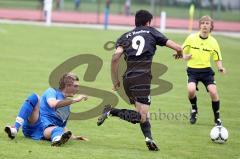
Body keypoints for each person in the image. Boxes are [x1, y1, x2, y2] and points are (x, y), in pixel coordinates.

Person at [97, 10, 182, 151]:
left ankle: (149, 139)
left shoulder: (124, 37)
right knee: (142, 116)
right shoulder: (151, 32)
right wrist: (179, 52)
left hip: (128, 79)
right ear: (148, 22)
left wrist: (115, 80)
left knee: (143, 113)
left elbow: (115, 57)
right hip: (142, 79)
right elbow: (177, 47)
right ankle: (111, 111)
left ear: (135, 22)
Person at [4, 72, 88, 146]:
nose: (78, 89)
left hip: (46, 130)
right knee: (34, 97)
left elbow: (61, 125)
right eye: (76, 86)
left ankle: (57, 140)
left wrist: (73, 136)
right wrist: (75, 100)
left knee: (58, 129)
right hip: (35, 123)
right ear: (67, 86)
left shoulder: (67, 104)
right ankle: (15, 128)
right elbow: (52, 104)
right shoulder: (52, 91)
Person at [181, 15, 226, 126]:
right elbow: (182, 51)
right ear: (199, 26)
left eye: (207, 23)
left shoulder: (213, 42)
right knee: (191, 90)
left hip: (206, 71)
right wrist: (184, 57)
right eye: (203, 23)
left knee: (213, 92)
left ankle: (217, 117)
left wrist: (220, 67)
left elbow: (217, 58)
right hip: (192, 70)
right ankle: (194, 110)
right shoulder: (191, 38)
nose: (205, 25)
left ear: (211, 27)